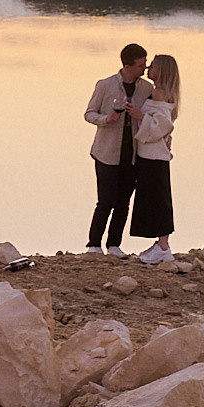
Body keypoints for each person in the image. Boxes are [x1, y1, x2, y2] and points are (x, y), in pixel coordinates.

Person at [83, 43, 149, 256]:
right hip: (106, 152)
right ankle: (94, 244)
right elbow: (89, 113)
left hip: (132, 154)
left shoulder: (147, 89)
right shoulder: (105, 85)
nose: (145, 68)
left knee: (124, 202)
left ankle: (114, 245)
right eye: (141, 65)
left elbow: (157, 116)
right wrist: (107, 119)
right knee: (106, 200)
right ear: (128, 66)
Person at [129, 53, 180, 263]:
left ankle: (163, 246)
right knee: (154, 197)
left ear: (162, 70)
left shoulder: (159, 93)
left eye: (153, 66)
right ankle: (160, 244)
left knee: (158, 198)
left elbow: (163, 124)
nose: (149, 68)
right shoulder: (160, 92)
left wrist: (140, 116)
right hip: (151, 154)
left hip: (154, 156)